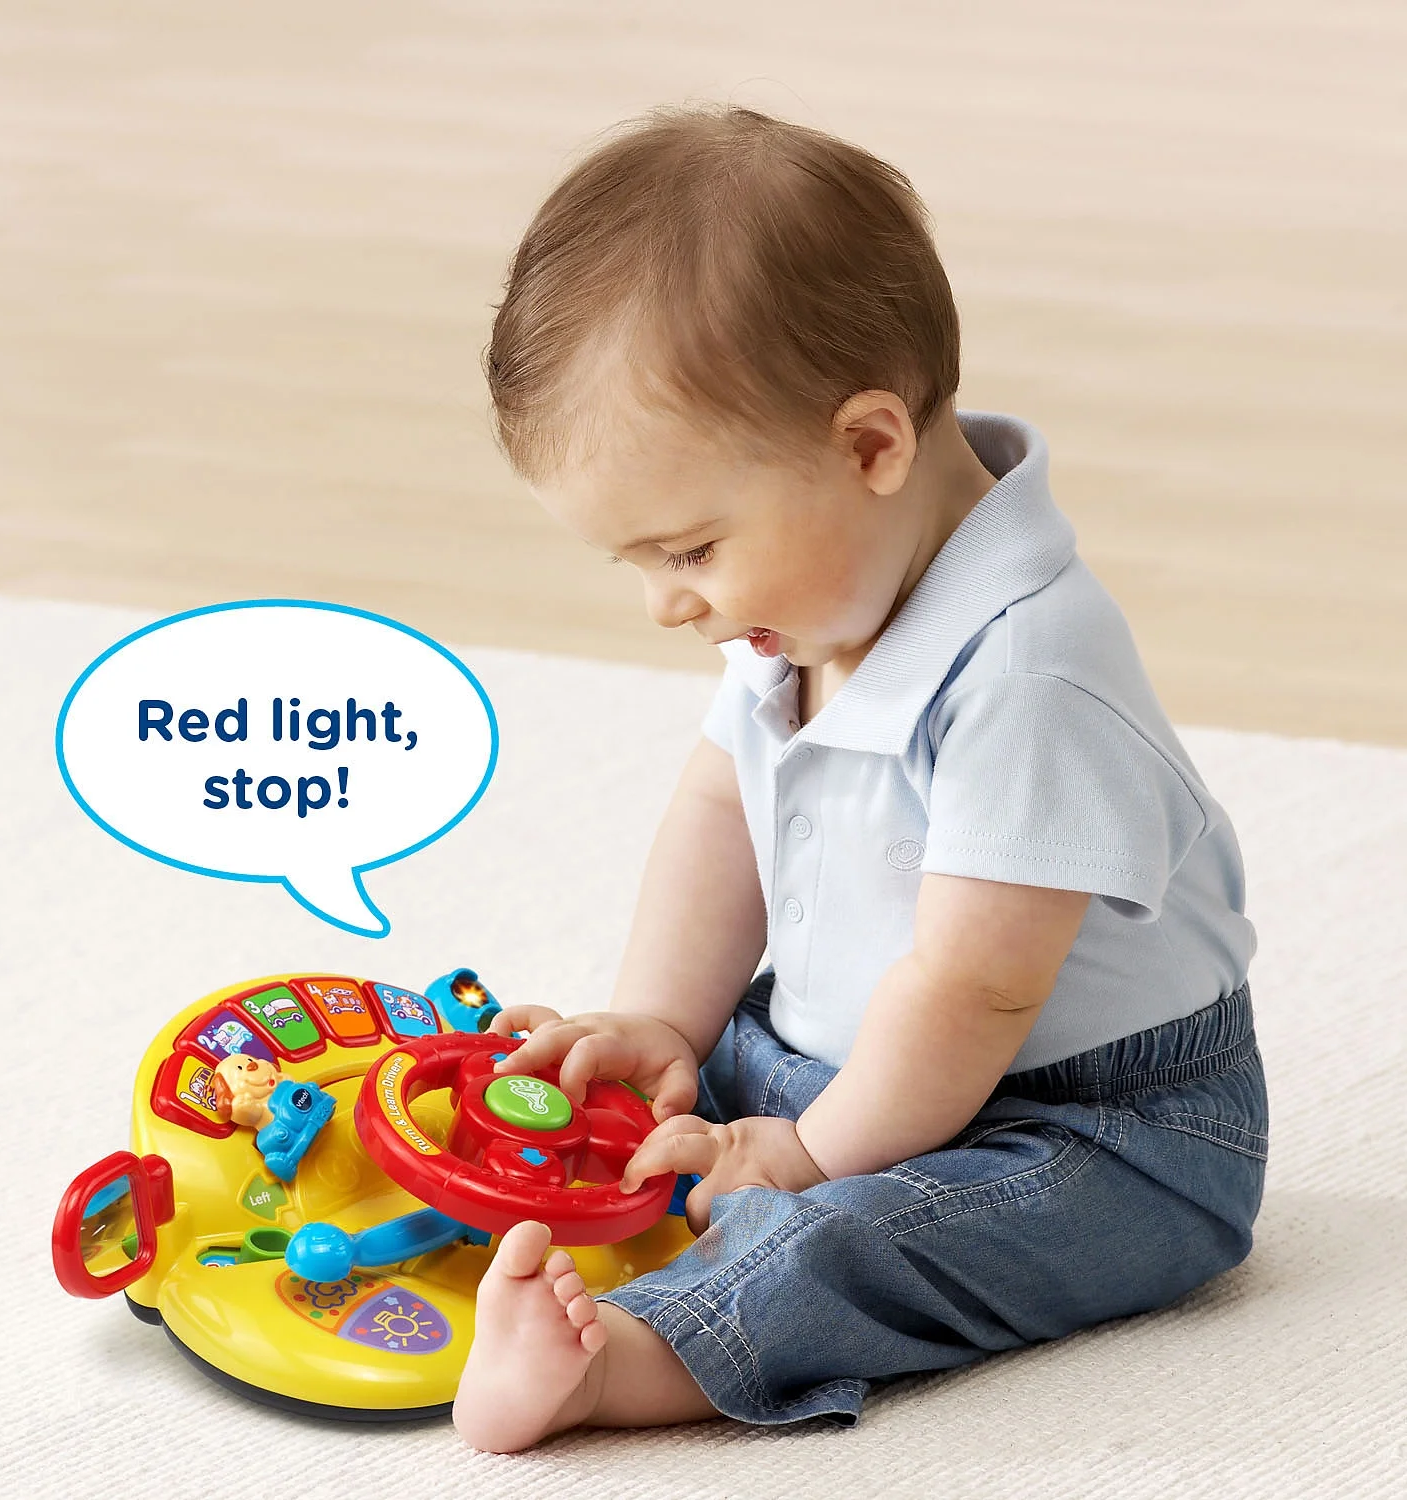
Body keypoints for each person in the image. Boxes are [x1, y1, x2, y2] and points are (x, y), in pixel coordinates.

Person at [451, 104, 1269, 1453]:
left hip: (1096, 1125)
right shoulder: (803, 609)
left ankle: (628, 1364)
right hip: (853, 1048)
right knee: (629, 1092)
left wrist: (812, 1158)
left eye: (690, 551)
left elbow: (974, 988)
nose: (668, 604)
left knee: (851, 1239)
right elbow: (722, 806)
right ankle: (540, 1209)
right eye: (640, 565)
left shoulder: (1029, 671)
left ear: (873, 446)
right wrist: (662, 1021)